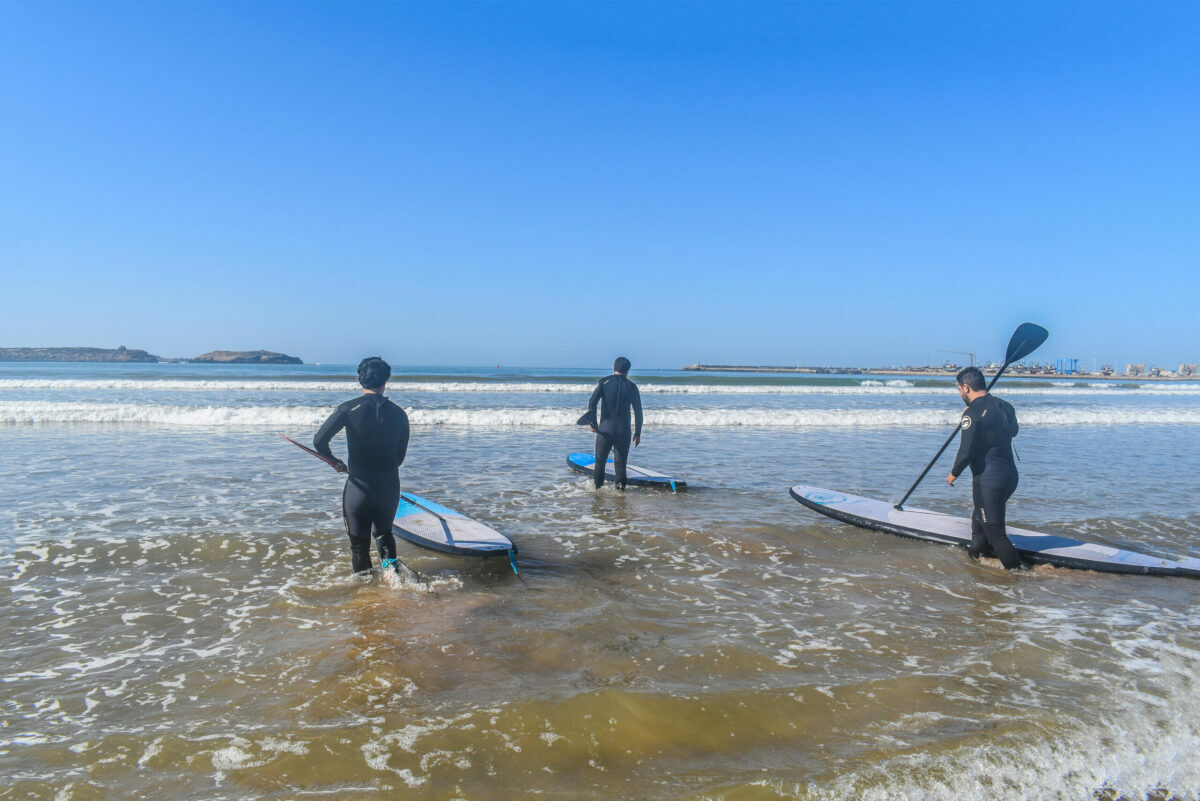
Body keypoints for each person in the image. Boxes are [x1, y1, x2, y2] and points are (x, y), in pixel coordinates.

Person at [314, 356, 410, 575]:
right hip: (388, 487)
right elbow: (399, 458)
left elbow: (319, 441)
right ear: (386, 379)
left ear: (361, 380)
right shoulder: (399, 414)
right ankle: (393, 582)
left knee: (359, 547)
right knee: (385, 535)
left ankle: (366, 594)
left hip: (358, 487)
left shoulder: (348, 409)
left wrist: (335, 462)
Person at [946, 366, 1022, 569]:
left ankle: (1018, 577)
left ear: (966, 388)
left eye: (959, 389)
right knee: (979, 525)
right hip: (1010, 476)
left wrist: (954, 473)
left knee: (996, 534)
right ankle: (975, 562)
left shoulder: (972, 413)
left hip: (988, 481)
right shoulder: (1005, 406)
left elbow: (966, 450)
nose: (959, 393)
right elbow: (1013, 431)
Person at [586, 356, 643, 490]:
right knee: (620, 464)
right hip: (624, 431)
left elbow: (592, 403)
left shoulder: (604, 382)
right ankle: (620, 496)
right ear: (628, 370)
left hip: (605, 430)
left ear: (613, 367)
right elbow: (638, 412)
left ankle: (597, 493)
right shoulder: (632, 387)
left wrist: (593, 423)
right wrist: (638, 433)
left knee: (600, 463)